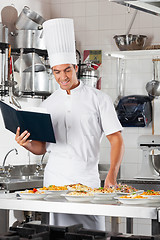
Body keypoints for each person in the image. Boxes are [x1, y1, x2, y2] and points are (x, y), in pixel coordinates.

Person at [15, 18, 124, 231]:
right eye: (57, 72)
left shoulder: (99, 99)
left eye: (67, 70)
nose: (62, 77)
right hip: (54, 184)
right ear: (52, 72)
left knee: (90, 235)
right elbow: (41, 148)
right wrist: (25, 143)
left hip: (87, 183)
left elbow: (116, 139)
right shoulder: (48, 104)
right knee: (57, 235)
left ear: (75, 68)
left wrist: (112, 173)